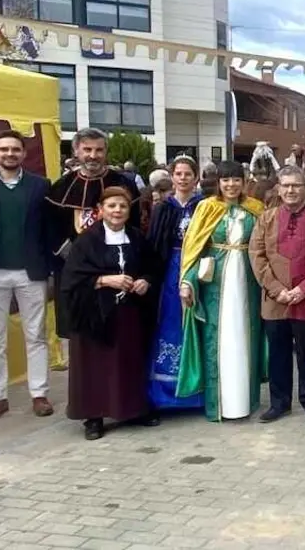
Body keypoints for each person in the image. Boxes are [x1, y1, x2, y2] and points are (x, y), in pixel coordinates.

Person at [60, 186, 159, 440]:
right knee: (95, 366)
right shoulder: (86, 241)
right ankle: (94, 416)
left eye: (123, 206)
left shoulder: (137, 238)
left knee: (129, 363)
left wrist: (145, 281)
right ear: (100, 210)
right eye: (112, 206)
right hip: (95, 314)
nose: (117, 211)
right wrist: (105, 280)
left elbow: (152, 267)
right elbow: (72, 279)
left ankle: (133, 410)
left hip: (129, 313)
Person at [0, 130, 53, 422]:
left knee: (37, 335)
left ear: (23, 153)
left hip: (31, 271)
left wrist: (49, 265)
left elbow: (47, 229)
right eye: (4, 149)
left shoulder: (41, 186)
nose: (10, 154)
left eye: (15, 149)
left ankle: (39, 393)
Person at [177, 161, 266, 422]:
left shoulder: (256, 208)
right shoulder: (206, 208)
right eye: (225, 180)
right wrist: (187, 280)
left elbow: (265, 246)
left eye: (236, 179)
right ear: (218, 183)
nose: (231, 185)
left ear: (244, 181)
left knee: (245, 337)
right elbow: (194, 247)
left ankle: (244, 402)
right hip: (215, 284)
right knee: (219, 338)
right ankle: (219, 403)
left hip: (248, 281)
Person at [46, 128, 140, 368]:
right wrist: (81, 263)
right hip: (79, 276)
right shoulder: (61, 187)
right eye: (87, 149)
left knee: (119, 339)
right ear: (76, 151)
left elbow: (137, 227)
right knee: (82, 341)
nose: (93, 155)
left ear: (105, 152)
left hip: (119, 271)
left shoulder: (124, 184)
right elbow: (53, 232)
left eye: (99, 150)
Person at [249, 166, 305, 424]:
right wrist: (276, 289)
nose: (291, 190)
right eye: (286, 185)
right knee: (278, 353)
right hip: (275, 299)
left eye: (296, 185)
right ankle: (279, 403)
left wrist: (304, 288)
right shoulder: (267, 217)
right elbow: (257, 255)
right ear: (278, 189)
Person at [145, 156, 204, 411]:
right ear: (172, 176)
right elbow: (155, 243)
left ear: (196, 177)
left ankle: (198, 390)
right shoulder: (164, 207)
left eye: (188, 174)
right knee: (170, 322)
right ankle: (165, 392)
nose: (183, 178)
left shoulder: (204, 206)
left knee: (195, 319)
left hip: (197, 267)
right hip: (170, 269)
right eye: (178, 173)